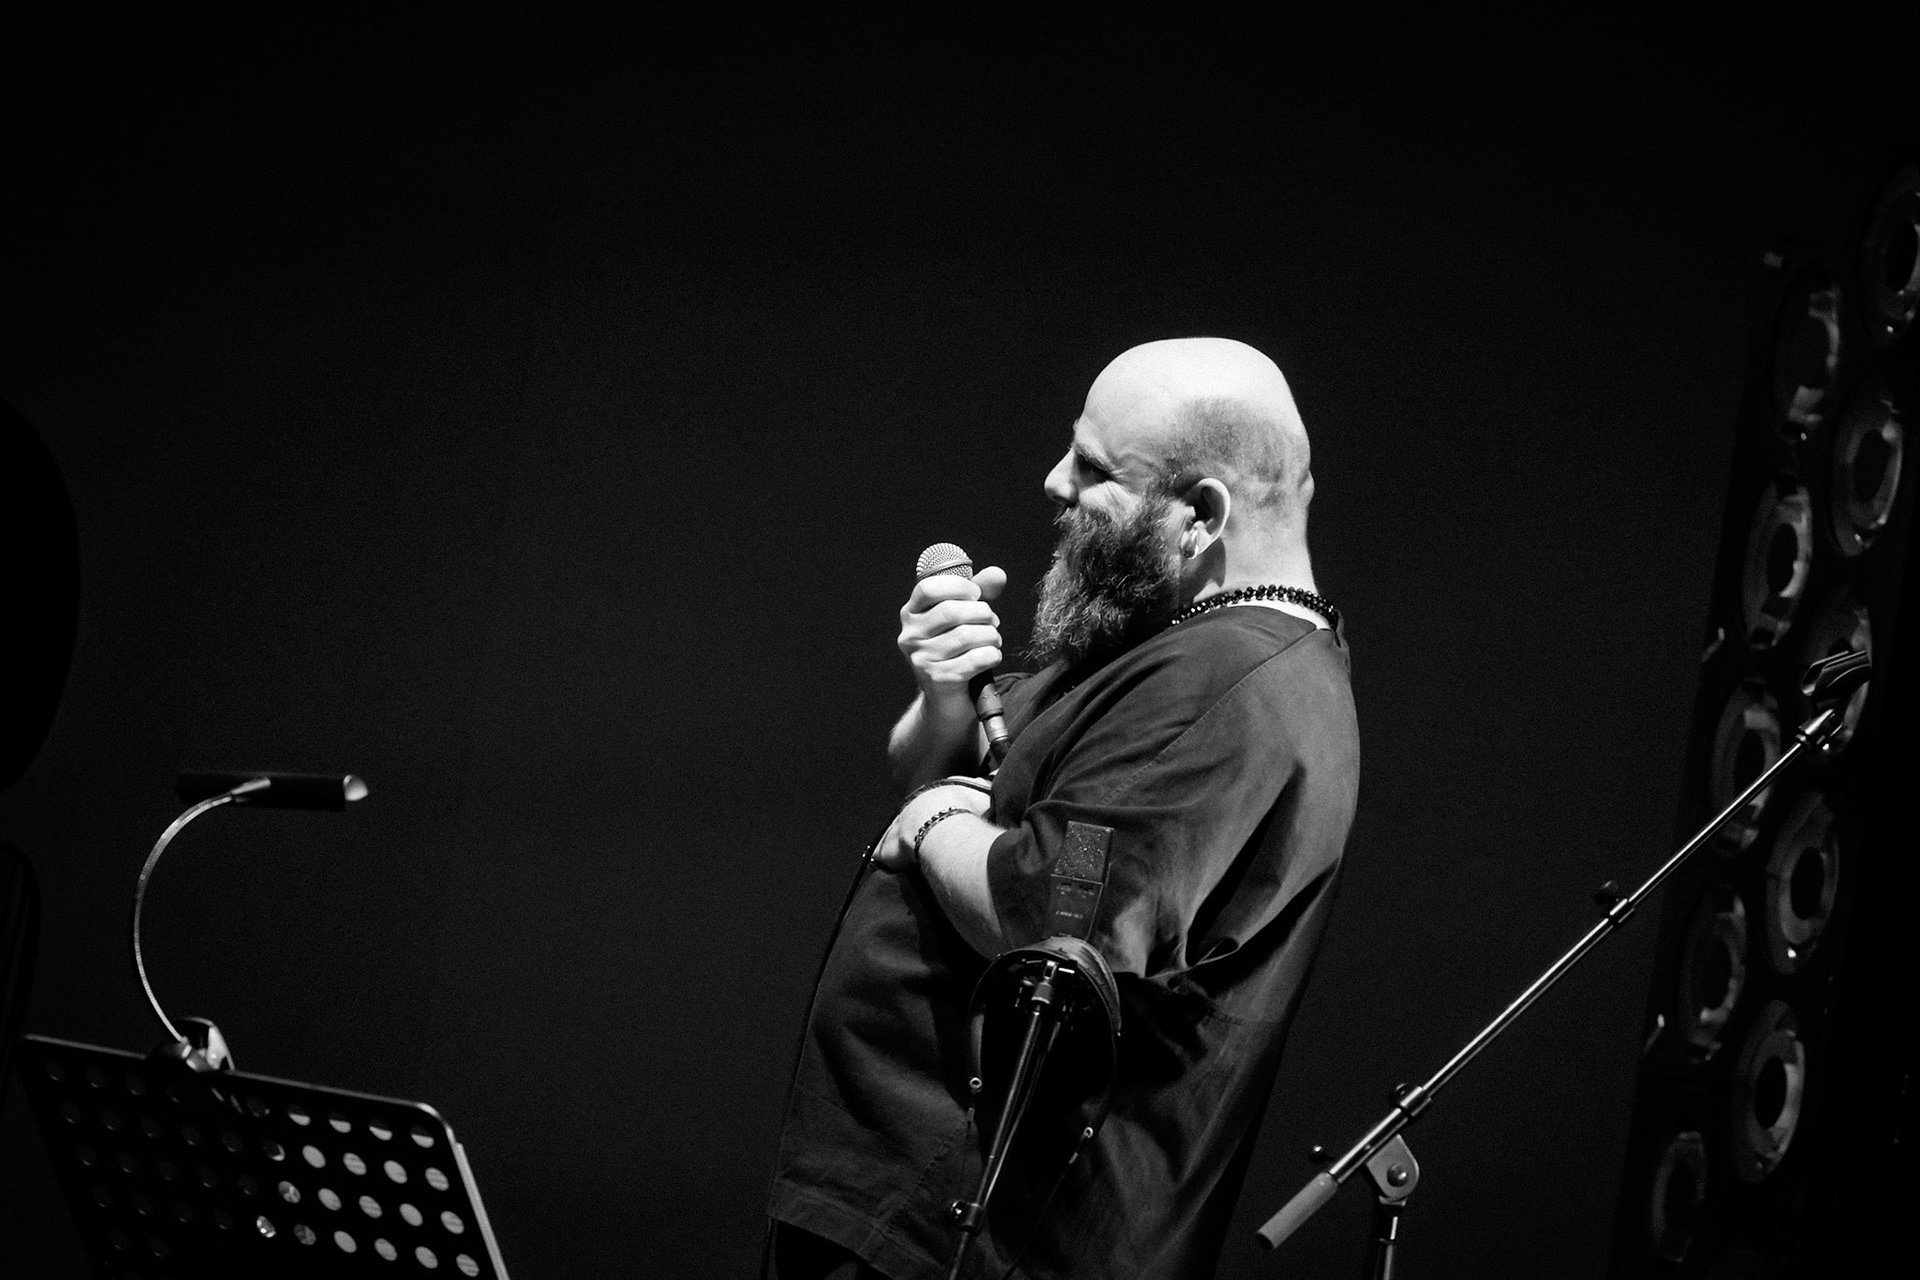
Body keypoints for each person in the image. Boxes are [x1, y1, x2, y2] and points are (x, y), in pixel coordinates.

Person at [768, 337, 1360, 1279]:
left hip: (970, 1238)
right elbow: (949, 771)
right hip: (909, 1219)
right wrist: (942, 692)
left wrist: (927, 827)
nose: (1053, 482)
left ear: (1200, 514)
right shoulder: (1169, 639)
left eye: (1092, 469)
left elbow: (1049, 912)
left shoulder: (1222, 683)